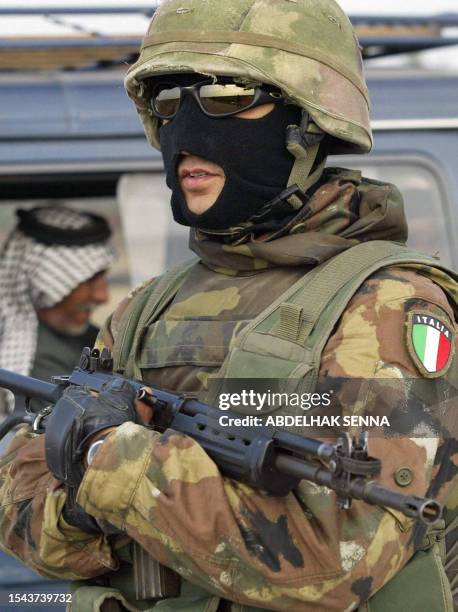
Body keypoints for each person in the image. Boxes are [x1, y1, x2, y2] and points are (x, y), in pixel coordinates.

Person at [0, 1, 456, 611]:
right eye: (168, 104)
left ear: (309, 122)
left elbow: (335, 559)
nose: (189, 134)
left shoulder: (384, 309)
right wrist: (97, 486)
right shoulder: (145, 309)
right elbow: (26, 515)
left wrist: (108, 463)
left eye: (228, 97)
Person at [0, 205, 113, 415]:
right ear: (44, 281)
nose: (102, 296)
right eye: (89, 280)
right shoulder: (33, 360)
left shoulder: (90, 336)